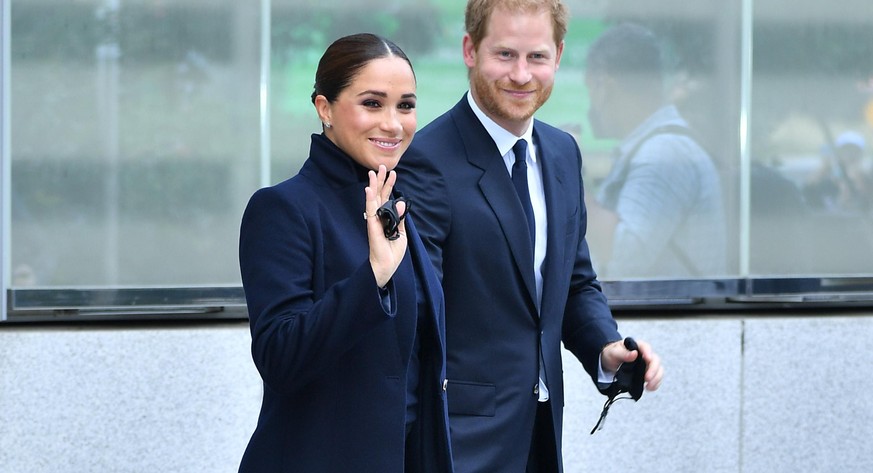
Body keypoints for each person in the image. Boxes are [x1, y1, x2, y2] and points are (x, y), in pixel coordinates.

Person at [396, 2, 664, 472]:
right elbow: (415, 320)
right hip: (458, 443)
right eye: (504, 54)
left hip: (541, 436)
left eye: (537, 57)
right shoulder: (426, 161)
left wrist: (606, 348)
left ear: (559, 56)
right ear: (469, 50)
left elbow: (574, 281)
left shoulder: (562, 153)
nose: (521, 75)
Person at [237, 33, 453, 473]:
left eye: (406, 105)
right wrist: (372, 276)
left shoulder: (402, 206)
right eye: (372, 103)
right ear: (325, 108)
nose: (393, 123)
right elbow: (280, 358)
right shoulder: (283, 208)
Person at [583, 22, 727, 279]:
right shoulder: (656, 146)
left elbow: (623, 256)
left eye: (590, 90)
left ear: (604, 86)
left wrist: (564, 175)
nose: (591, 104)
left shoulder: (662, 153)